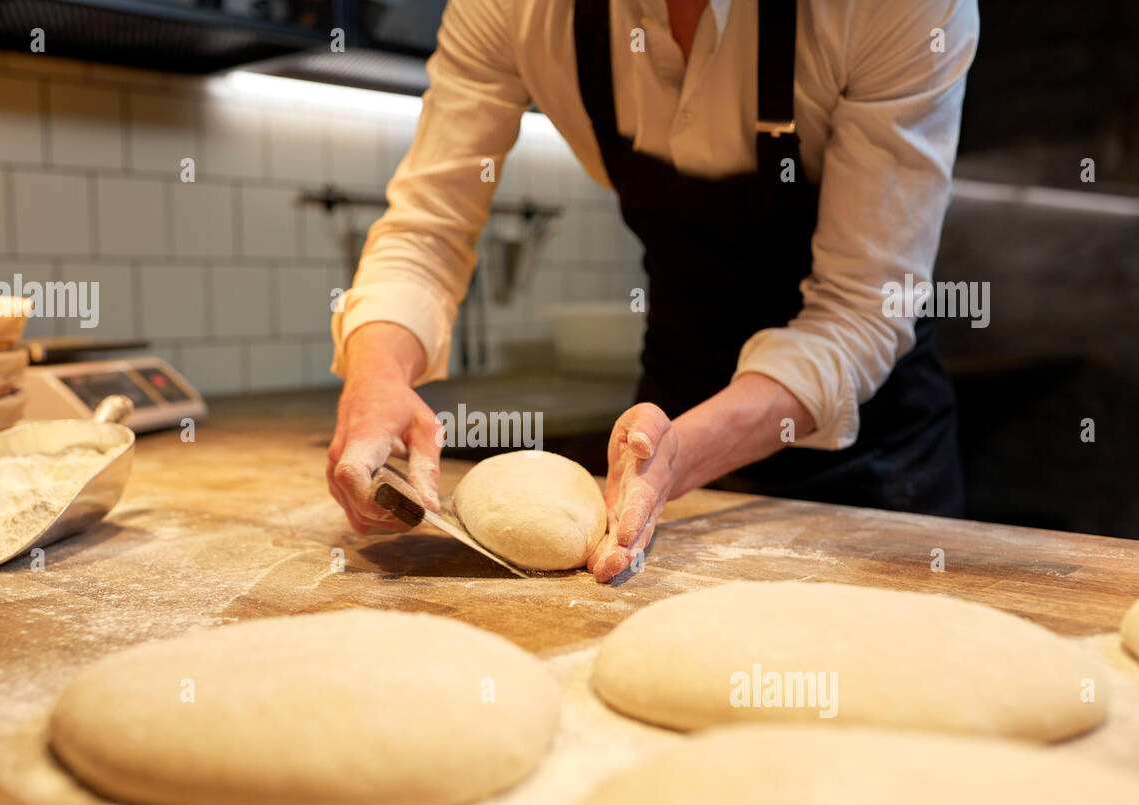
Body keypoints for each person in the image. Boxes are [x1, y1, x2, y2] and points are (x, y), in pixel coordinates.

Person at [326, 0, 979, 582]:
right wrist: (376, 374)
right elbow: (427, 228)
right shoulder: (515, 9)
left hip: (869, 444)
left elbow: (862, 307)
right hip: (661, 418)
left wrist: (686, 452)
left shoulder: (899, 10)